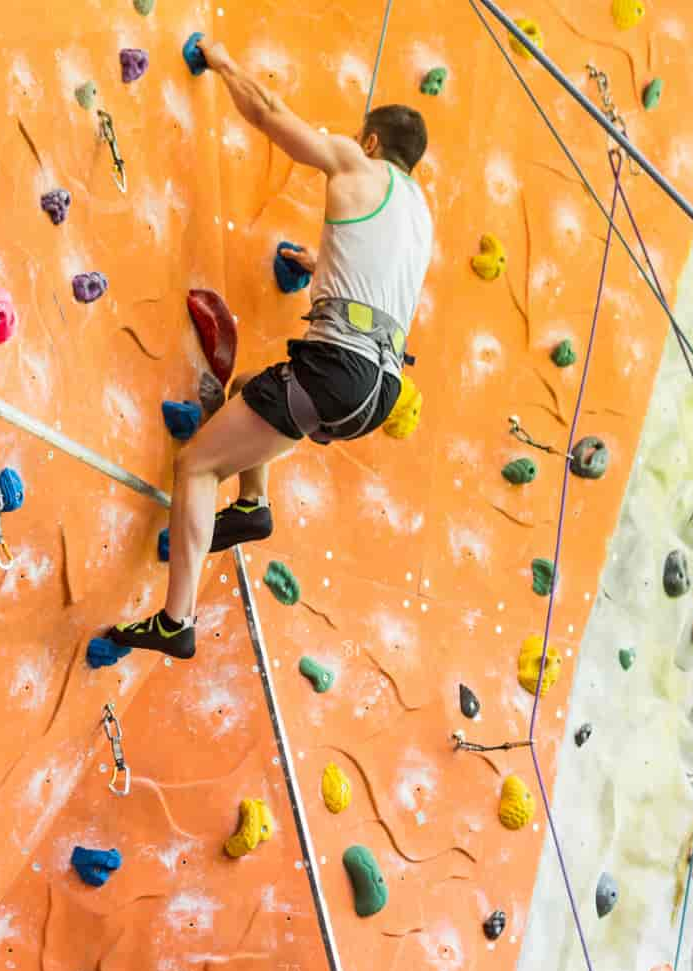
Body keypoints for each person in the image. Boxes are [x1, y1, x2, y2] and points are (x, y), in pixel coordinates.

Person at [104, 39, 435, 660]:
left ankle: (176, 620)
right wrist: (322, 264)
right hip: (377, 388)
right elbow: (380, 278)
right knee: (253, 384)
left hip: (339, 368)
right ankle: (252, 508)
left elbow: (267, 113)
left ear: (370, 143)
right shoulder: (419, 213)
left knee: (197, 464)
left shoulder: (356, 165)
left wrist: (224, 64)